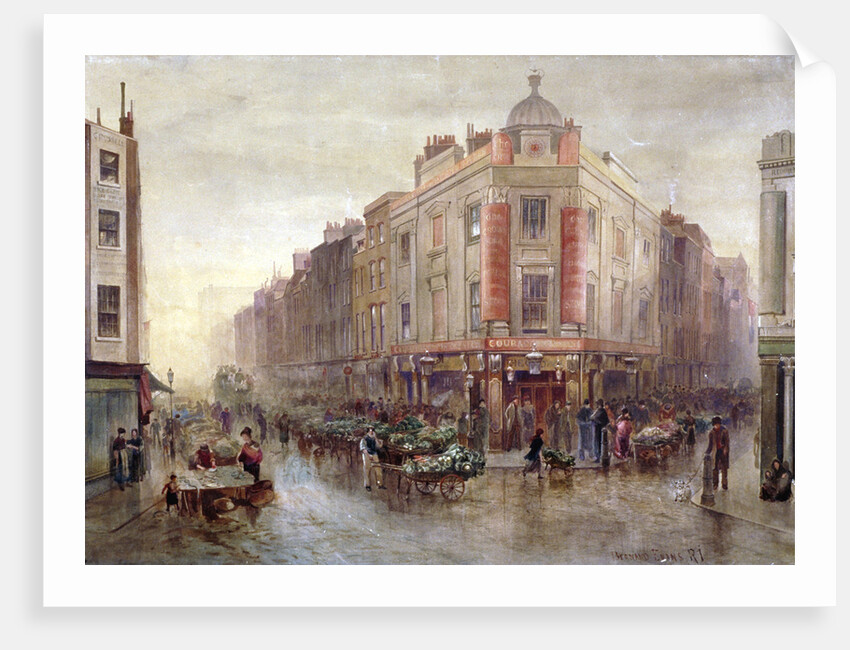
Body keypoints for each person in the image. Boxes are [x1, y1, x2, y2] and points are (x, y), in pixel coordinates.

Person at [705, 416, 730, 490]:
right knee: (715, 469)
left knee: (724, 468)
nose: (717, 426)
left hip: (723, 452)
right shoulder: (711, 433)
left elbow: (727, 442)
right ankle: (715, 484)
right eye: (715, 425)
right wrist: (707, 452)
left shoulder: (724, 431)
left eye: (718, 424)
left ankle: (724, 484)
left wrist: (725, 449)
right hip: (715, 452)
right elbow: (710, 445)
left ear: (720, 424)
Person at [359, 427, 385, 491]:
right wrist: (368, 455)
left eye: (373, 431)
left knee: (378, 469)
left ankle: (380, 484)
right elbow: (363, 449)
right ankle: (367, 485)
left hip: (374, 454)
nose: (372, 432)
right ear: (367, 432)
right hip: (366, 455)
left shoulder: (374, 438)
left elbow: (379, 446)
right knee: (367, 469)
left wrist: (376, 438)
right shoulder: (364, 439)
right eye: (370, 431)